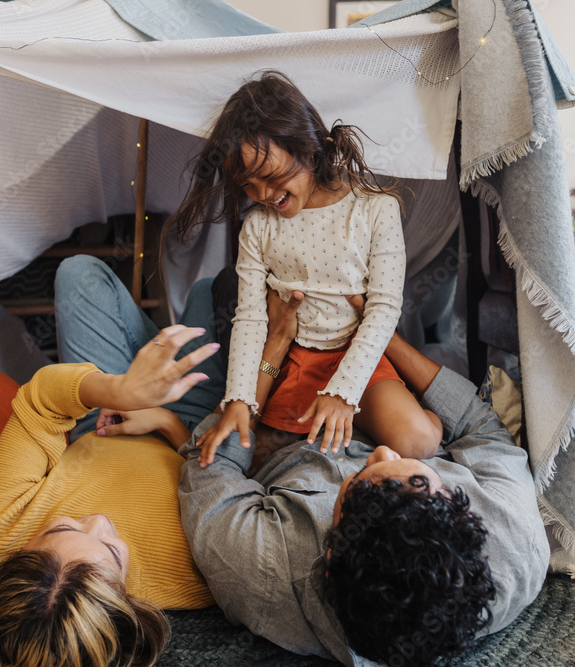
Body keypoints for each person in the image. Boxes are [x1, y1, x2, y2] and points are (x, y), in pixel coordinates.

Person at [177, 291, 551, 666]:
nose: (384, 452)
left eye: (358, 481)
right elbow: (479, 423)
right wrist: (385, 335)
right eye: (420, 476)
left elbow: (211, 463)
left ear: (329, 558)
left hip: (277, 405)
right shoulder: (514, 543)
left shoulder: (261, 573)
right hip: (379, 381)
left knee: (223, 291)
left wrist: (273, 347)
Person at [0, 256, 223, 667]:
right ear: (130, 609)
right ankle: (168, 342)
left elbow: (39, 403)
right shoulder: (197, 580)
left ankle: (150, 359)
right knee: (209, 289)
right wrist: (170, 423)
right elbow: (236, 474)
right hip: (194, 425)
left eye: (64, 525)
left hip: (100, 415)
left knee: (78, 272)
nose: (99, 519)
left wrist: (119, 391)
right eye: (112, 550)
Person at [165, 70, 443, 463]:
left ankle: (411, 412)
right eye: (247, 184)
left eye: (270, 175)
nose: (262, 194)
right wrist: (241, 397)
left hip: (356, 355)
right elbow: (249, 320)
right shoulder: (257, 227)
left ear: (311, 150)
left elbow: (383, 309)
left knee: (419, 443)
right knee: (253, 455)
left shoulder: (375, 209)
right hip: (293, 359)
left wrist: (343, 391)